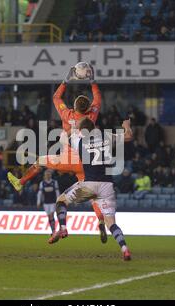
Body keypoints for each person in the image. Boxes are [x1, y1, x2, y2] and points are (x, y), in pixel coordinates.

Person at [7, 65, 109, 244]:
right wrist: (92, 80)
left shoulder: (66, 113)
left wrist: (66, 79)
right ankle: (100, 221)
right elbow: (98, 98)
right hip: (86, 161)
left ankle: (20, 182)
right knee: (93, 195)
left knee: (40, 161)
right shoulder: (92, 115)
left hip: (67, 158)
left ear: (75, 106)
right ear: (88, 108)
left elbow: (56, 97)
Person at [49, 118, 133, 260]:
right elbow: (128, 136)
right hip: (107, 186)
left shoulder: (79, 140)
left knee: (61, 201)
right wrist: (127, 125)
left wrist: (72, 128)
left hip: (89, 185)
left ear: (82, 130)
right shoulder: (107, 137)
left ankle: (63, 228)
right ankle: (124, 248)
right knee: (111, 223)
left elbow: (63, 140)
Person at [37, 170, 60, 235]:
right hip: (46, 203)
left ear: (51, 175)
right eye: (46, 174)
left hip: (53, 202)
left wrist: (58, 200)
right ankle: (53, 230)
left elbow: (57, 192)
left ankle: (53, 231)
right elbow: (40, 193)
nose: (47, 176)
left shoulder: (54, 182)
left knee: (51, 215)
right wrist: (38, 201)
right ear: (44, 176)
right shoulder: (42, 183)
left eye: (49, 174)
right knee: (49, 217)